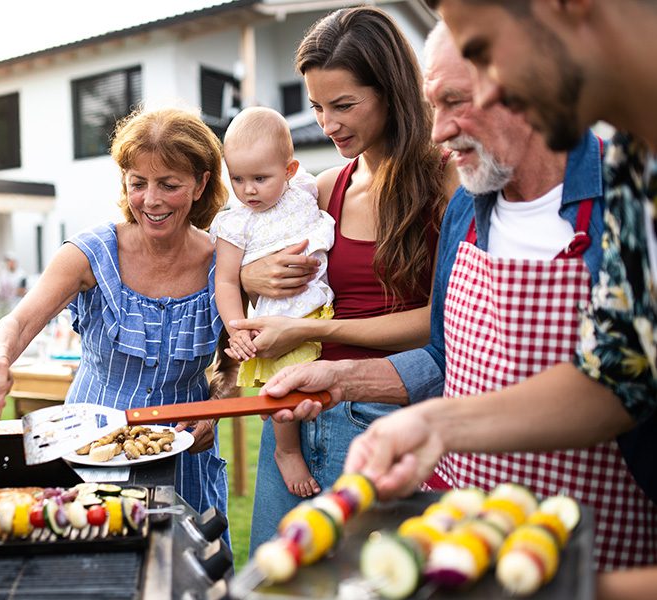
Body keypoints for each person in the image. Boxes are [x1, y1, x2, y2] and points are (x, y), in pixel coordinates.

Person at [264, 21, 657, 570]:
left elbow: (618, 383)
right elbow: (443, 359)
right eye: (433, 103)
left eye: (456, 101)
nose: (439, 130)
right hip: (466, 539)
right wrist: (342, 378)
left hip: (598, 546)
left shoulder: (625, 199)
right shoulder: (465, 215)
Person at [0, 107, 238, 535]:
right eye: (138, 183)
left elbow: (232, 363)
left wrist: (216, 408)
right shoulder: (90, 253)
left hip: (185, 458)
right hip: (90, 452)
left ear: (201, 183)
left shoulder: (223, 263)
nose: (151, 200)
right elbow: (17, 324)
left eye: (169, 184)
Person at [241, 6, 452, 553]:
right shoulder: (323, 188)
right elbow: (248, 250)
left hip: (380, 419)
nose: (327, 123)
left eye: (343, 105)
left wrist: (317, 334)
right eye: (315, 106)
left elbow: (447, 323)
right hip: (294, 413)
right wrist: (248, 273)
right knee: (273, 580)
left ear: (390, 92)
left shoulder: (444, 180)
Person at [211, 106, 335, 498]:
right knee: (282, 390)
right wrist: (236, 328)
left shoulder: (306, 191)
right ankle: (287, 450)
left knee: (316, 394)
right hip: (277, 317)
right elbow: (226, 282)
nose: (248, 190)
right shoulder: (236, 222)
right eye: (237, 179)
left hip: (322, 309)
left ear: (290, 170)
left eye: (260, 179)